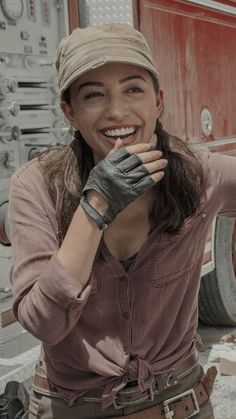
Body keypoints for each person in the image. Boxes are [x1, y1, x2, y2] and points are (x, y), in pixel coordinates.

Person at [9, 23, 236, 419]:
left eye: (134, 89)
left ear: (158, 101)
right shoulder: (36, 186)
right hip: (71, 407)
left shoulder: (199, 175)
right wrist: (94, 207)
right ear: (70, 111)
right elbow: (43, 323)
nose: (117, 111)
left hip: (180, 403)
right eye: (94, 95)